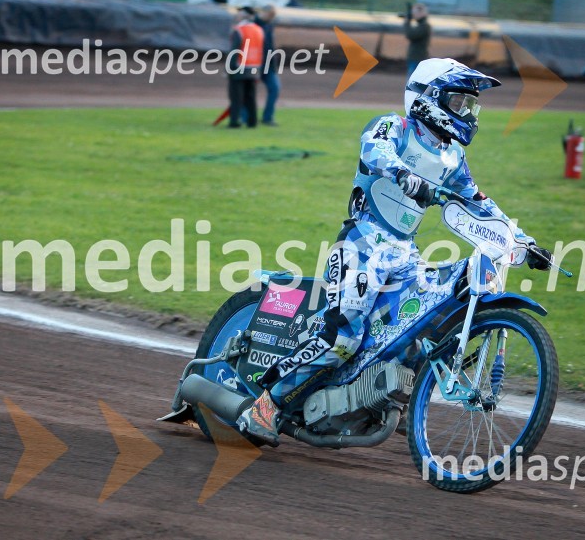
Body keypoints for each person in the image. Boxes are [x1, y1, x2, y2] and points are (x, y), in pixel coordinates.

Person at [237, 58, 554, 444]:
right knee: (343, 338)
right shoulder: (396, 126)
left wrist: (521, 241)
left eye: (471, 106)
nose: (467, 113)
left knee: (425, 322)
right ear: (429, 98)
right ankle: (267, 404)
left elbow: (479, 203)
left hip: (405, 254)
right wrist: (405, 174)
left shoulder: (454, 157)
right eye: (459, 103)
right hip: (364, 241)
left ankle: (395, 396)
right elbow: (374, 151)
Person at [226, 7, 264, 128]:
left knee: (236, 97)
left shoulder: (239, 30)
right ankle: (252, 122)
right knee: (251, 97)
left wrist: (229, 68)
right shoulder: (259, 30)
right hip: (254, 67)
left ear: (244, 16)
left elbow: (234, 51)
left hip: (239, 68)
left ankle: (234, 121)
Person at [254, 5, 280, 126]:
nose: (271, 18)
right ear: (263, 12)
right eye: (270, 15)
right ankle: (246, 117)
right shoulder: (253, 24)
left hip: (268, 65)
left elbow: (270, 46)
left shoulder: (269, 25)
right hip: (254, 64)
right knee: (248, 91)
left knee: (275, 88)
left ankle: (267, 117)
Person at [404, 3, 431, 77]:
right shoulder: (422, 25)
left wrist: (407, 22)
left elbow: (411, 35)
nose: (414, 15)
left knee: (413, 79)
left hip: (418, 58)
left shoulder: (424, 26)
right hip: (416, 57)